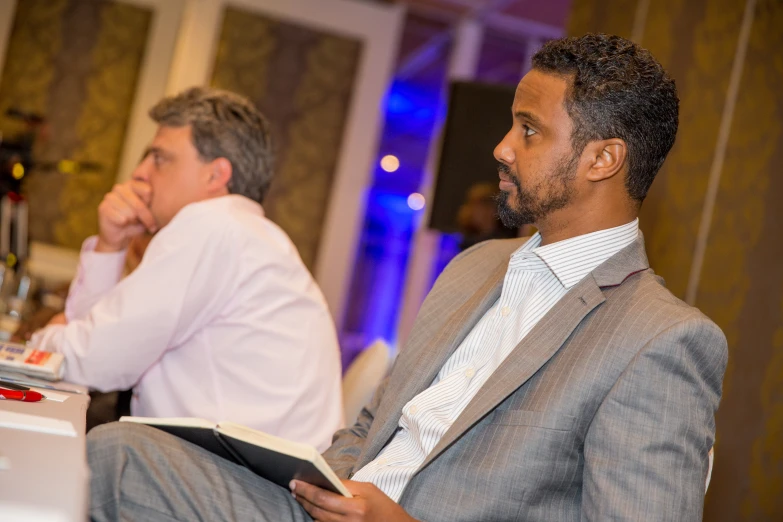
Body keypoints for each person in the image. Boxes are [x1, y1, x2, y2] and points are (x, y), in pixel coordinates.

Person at [87, 34, 728, 521]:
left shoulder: (660, 340)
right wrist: (317, 484)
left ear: (603, 159)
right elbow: (369, 426)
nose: (502, 147)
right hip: (323, 508)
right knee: (114, 453)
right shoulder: (476, 266)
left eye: (528, 130)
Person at [31, 87, 343, 450]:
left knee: (99, 447)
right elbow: (97, 342)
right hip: (248, 474)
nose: (140, 172)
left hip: (242, 482)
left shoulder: (212, 225)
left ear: (215, 176)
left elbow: (90, 360)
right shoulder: (243, 233)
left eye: (160, 158)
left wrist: (46, 337)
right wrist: (111, 243)